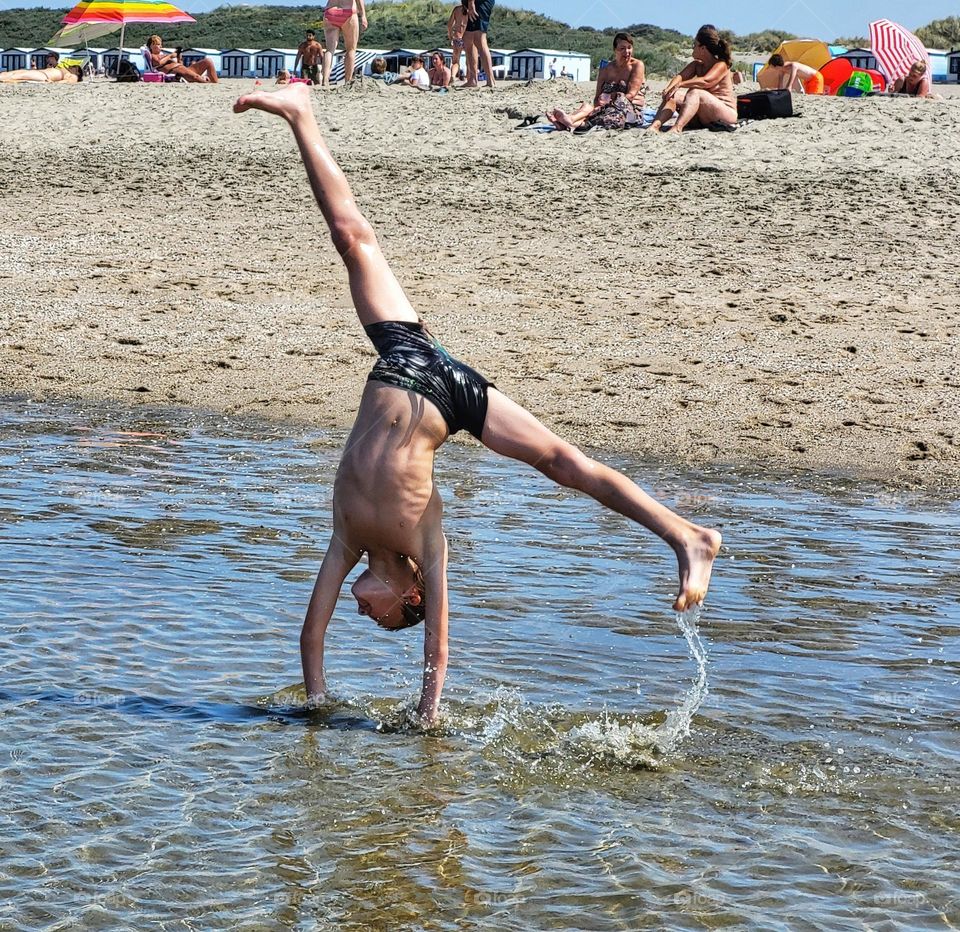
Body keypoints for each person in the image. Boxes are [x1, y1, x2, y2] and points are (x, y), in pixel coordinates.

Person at [232, 84, 722, 725]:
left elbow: (309, 635)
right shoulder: (428, 545)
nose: (361, 612)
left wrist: (316, 706)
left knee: (353, 240)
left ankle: (299, 113)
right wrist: (429, 713)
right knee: (562, 463)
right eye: (379, 620)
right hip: (448, 392)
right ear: (409, 598)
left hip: (403, 358)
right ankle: (686, 534)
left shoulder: (345, 541)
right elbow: (439, 644)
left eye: (364, 614)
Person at [546, 32, 645, 131]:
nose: (627, 52)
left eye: (629, 47)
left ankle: (571, 123)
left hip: (629, 110)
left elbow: (631, 95)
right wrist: (599, 104)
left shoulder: (637, 66)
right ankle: (570, 121)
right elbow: (597, 97)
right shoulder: (605, 69)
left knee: (616, 104)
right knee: (587, 107)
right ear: (615, 50)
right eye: (622, 48)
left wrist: (610, 100)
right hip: (605, 108)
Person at [648, 24, 736, 133]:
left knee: (695, 92)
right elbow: (679, 77)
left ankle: (677, 128)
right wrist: (670, 88)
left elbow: (706, 81)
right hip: (704, 113)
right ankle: (655, 126)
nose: (692, 48)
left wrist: (680, 85)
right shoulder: (696, 65)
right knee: (673, 95)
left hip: (724, 114)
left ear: (703, 48)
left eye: (694, 44)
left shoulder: (721, 65)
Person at [322, 0, 367, 86]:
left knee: (329, 50)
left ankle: (325, 80)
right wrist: (363, 15)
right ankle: (348, 81)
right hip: (348, 11)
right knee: (351, 49)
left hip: (331, 11)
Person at [144, 35, 219, 83]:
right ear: (150, 46)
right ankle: (207, 83)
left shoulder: (163, 55)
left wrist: (178, 57)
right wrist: (170, 56)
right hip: (180, 73)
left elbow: (180, 64)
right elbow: (159, 63)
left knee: (208, 61)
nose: (159, 46)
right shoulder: (153, 56)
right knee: (197, 77)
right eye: (156, 44)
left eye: (159, 44)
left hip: (184, 69)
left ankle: (215, 83)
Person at [464, 0, 495, 88]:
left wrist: (471, 3)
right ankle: (472, 79)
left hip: (479, 3)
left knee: (479, 39)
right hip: (475, 3)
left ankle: (490, 80)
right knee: (468, 38)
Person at [0, 62, 82, 83]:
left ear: (78, 72)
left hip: (43, 75)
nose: (72, 66)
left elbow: (68, 81)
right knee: (7, 73)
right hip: (39, 72)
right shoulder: (63, 69)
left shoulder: (73, 76)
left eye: (75, 67)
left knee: (16, 76)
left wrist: (54, 83)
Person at [446, 2, 468, 82]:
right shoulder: (472, 10)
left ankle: (453, 76)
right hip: (467, 38)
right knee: (469, 60)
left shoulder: (456, 9)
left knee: (455, 61)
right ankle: (467, 78)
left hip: (457, 38)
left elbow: (449, 24)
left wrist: (450, 35)